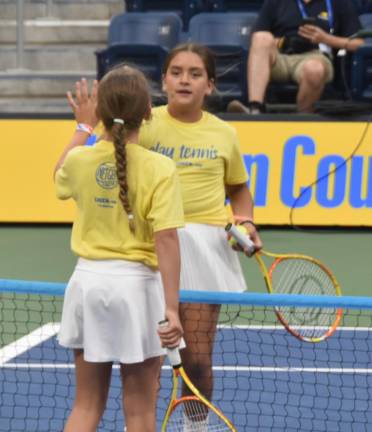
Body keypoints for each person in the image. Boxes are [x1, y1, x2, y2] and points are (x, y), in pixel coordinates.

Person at [138, 42, 263, 429]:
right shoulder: (145, 123)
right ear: (163, 81)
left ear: (209, 85)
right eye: (176, 72)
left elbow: (238, 187)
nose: (184, 80)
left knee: (196, 358)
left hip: (205, 248)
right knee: (145, 358)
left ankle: (196, 426)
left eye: (194, 74)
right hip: (149, 244)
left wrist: (245, 221)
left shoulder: (224, 133)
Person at [54, 66, 184, 432]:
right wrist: (171, 309)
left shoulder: (81, 160)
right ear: (148, 112)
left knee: (85, 406)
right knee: (140, 411)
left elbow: (58, 176)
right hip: (136, 289)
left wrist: (82, 127)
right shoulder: (161, 168)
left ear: (101, 113)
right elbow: (167, 239)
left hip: (86, 285)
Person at [228, 0, 364, 114]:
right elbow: (256, 37)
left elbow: (359, 43)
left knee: (315, 69)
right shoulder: (276, 2)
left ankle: (303, 117)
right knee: (261, 38)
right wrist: (284, 42)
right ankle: (255, 108)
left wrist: (326, 38)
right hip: (280, 57)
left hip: (316, 56)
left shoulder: (339, 3)